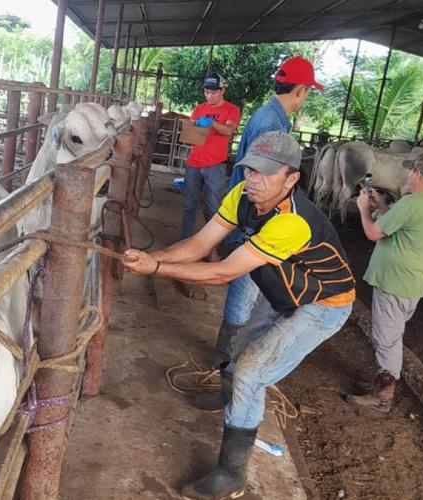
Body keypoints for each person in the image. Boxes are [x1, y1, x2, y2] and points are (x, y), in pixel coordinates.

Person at [123, 132, 354, 500]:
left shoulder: (294, 221)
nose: (253, 180)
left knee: (252, 370)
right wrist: (153, 258)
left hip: (324, 302)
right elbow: (200, 244)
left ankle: (232, 474)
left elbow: (223, 272)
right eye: (249, 170)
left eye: (265, 173)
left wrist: (155, 269)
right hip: (285, 288)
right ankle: (234, 400)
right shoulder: (243, 196)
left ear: (291, 179)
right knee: (242, 349)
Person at [197, 55, 324, 412]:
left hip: (249, 217)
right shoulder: (274, 127)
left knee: (246, 298)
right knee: (247, 301)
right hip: (257, 222)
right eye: (307, 93)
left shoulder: (267, 116)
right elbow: (262, 185)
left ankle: (226, 373)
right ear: (299, 91)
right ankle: (226, 379)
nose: (305, 99)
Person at [346, 154, 423, 412]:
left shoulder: (411, 203)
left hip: (394, 281)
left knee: (387, 339)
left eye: (409, 172)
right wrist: (381, 206)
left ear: (416, 173)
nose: (407, 176)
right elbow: (402, 226)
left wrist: (362, 209)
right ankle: (382, 378)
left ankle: (383, 395)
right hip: (413, 282)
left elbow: (372, 233)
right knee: (393, 334)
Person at [180, 73, 241, 240]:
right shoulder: (199, 108)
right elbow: (190, 131)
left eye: (213, 92)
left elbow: (229, 130)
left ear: (222, 90)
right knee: (189, 206)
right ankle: (185, 241)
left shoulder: (231, 109)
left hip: (215, 165)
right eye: (207, 92)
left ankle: (209, 244)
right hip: (194, 163)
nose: (209, 96)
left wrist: (212, 123)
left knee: (212, 207)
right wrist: (192, 127)